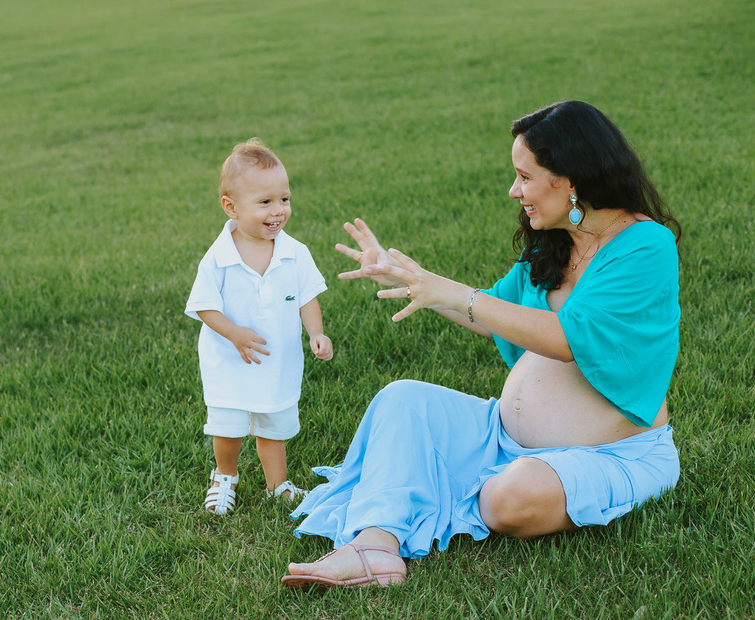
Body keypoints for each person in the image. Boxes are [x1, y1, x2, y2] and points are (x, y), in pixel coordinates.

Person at [281, 100, 681, 590]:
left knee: (506, 501)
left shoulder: (645, 246)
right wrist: (408, 278)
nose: (516, 191)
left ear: (570, 178)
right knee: (402, 399)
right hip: (502, 436)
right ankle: (375, 547)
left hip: (616, 453)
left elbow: (568, 339)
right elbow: (493, 312)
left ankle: (440, 487)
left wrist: (456, 293)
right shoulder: (556, 239)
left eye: (525, 177)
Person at [186, 138, 334, 516]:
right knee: (229, 428)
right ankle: (224, 477)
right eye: (264, 202)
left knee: (274, 426)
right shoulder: (219, 257)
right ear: (231, 207)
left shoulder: (294, 252)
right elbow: (204, 306)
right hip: (229, 363)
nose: (278, 210)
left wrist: (316, 332)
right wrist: (234, 333)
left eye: (283, 199)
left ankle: (277, 485)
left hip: (276, 362)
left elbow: (306, 297)